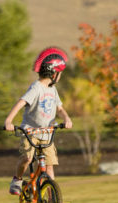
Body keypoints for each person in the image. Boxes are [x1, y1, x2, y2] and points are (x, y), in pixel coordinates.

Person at [4, 46, 73, 195]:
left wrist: (67, 118)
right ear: (53, 73)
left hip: (47, 133)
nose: (60, 76)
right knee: (27, 158)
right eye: (59, 73)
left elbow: (59, 108)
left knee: (49, 167)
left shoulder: (52, 90)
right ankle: (17, 179)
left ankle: (52, 200)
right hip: (30, 132)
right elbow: (21, 102)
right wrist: (9, 121)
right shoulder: (36, 87)